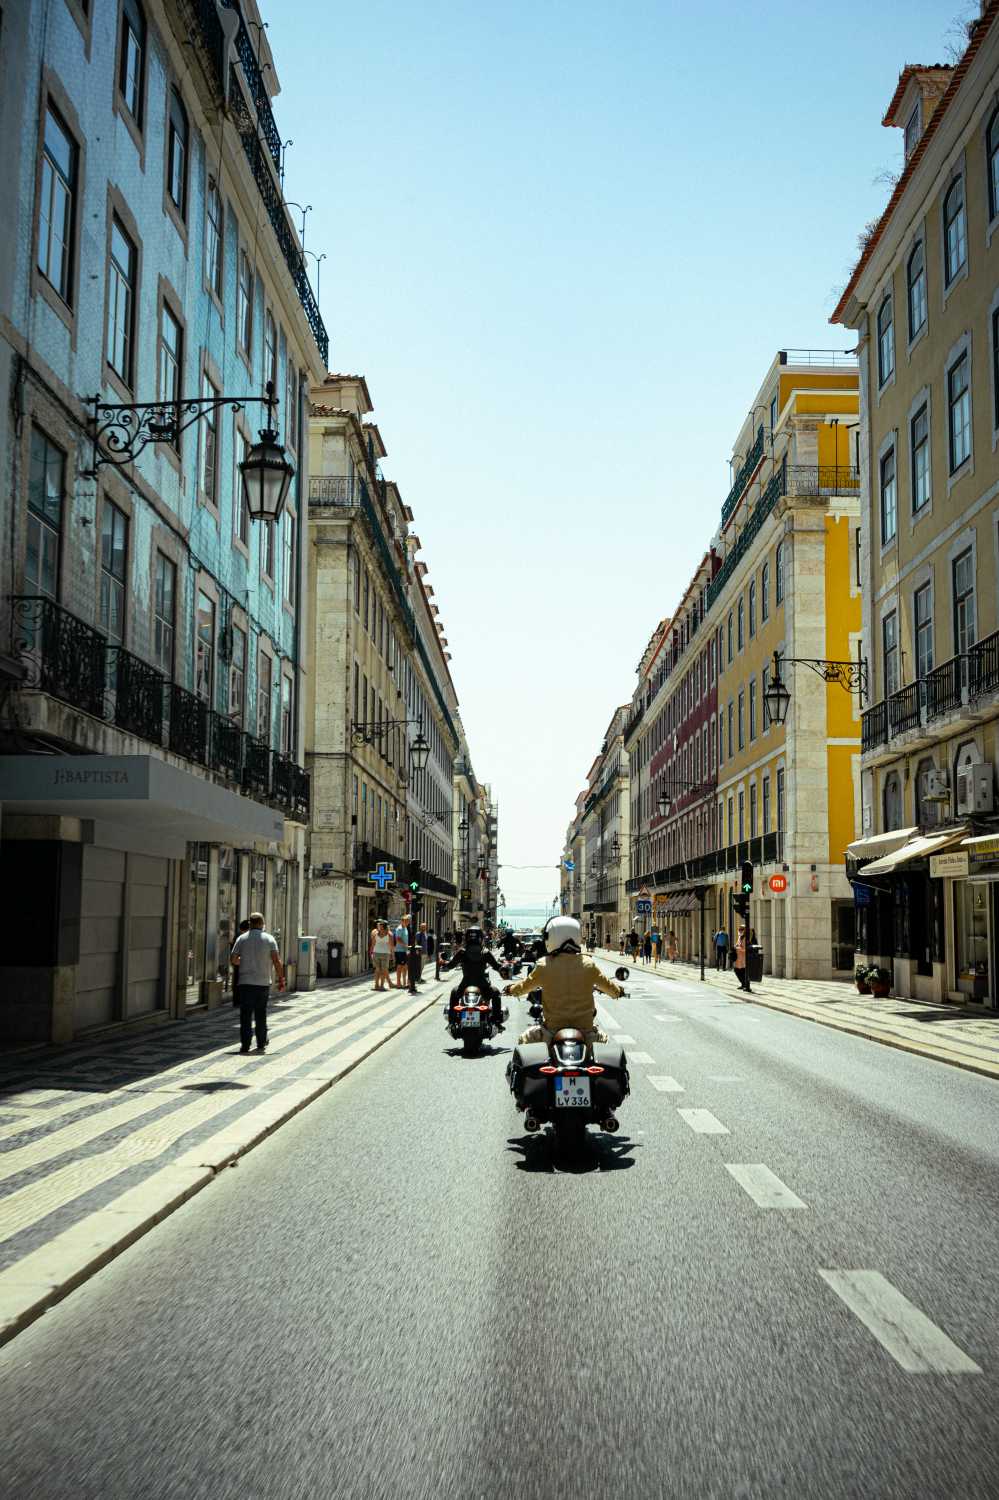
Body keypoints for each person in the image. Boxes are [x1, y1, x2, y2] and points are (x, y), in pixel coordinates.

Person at [505, 916, 623, 1045]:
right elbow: (610, 987)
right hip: (585, 1031)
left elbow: (523, 987)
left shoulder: (543, 965)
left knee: (523, 1040)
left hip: (551, 1031)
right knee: (606, 1044)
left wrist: (510, 989)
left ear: (551, 937)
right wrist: (618, 991)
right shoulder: (588, 964)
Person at [230, 912, 285, 1054]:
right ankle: (261, 1042)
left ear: (250, 923)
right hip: (262, 983)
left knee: (245, 1016)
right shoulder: (269, 939)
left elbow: (233, 959)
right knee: (261, 1014)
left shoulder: (242, 939)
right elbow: (276, 961)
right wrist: (281, 979)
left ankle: (245, 1045)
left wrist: (244, 961)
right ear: (262, 923)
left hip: (245, 983)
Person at [441, 925, 505, 1025]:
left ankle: (452, 1020)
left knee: (454, 993)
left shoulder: (462, 952)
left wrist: (444, 963)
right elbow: (496, 966)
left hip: (465, 983)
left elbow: (451, 965)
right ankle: (496, 1020)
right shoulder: (485, 952)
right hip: (482, 984)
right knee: (496, 993)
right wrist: (503, 969)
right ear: (481, 938)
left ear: (466, 937)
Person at [369, 919, 394, 992]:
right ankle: (378, 985)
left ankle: (380, 985)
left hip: (383, 953)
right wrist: (371, 953)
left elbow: (391, 946)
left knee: (381, 970)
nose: (379, 927)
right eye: (379, 926)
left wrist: (392, 955)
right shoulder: (378, 934)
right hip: (379, 953)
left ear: (384, 927)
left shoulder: (388, 934)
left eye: (380, 926)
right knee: (379, 970)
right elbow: (373, 944)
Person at [230, 918, 250, 1007]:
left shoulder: (239, 936)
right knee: (239, 981)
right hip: (240, 962)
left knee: (238, 981)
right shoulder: (241, 937)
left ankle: (237, 1000)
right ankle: (238, 1000)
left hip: (239, 962)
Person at [392, 915, 410, 989]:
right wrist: (405, 945)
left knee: (405, 966)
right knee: (400, 966)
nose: (407, 922)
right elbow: (398, 939)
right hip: (400, 950)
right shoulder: (399, 929)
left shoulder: (405, 928)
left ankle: (404, 982)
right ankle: (399, 983)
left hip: (404, 950)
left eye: (408, 921)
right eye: (405, 921)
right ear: (402, 921)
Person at [734, 923, 751, 993]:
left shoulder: (746, 938)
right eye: (739, 929)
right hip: (738, 958)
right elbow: (737, 944)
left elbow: (745, 949)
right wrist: (735, 946)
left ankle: (745, 984)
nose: (740, 930)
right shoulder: (739, 937)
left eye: (742, 929)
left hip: (743, 958)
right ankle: (743, 984)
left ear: (745, 930)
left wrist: (737, 948)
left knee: (743, 972)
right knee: (736, 970)